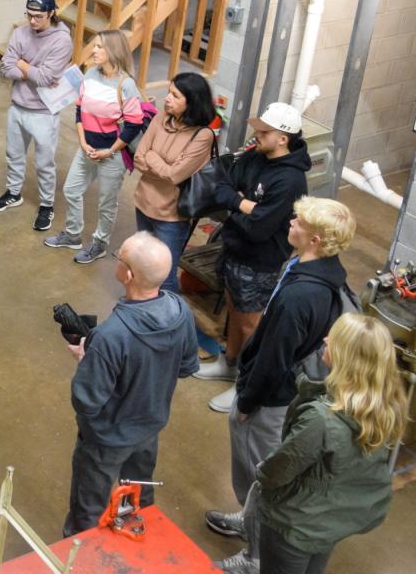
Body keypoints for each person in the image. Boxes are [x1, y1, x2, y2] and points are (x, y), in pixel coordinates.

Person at [203, 197, 355, 545]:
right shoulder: (324, 272)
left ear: (315, 239)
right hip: (286, 392)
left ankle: (256, 552)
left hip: (271, 399)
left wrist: (246, 404)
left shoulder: (300, 296)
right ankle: (251, 522)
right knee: (260, 469)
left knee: (260, 470)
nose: (290, 223)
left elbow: (275, 358)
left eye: (299, 221)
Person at [213, 314, 406, 574]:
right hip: (328, 521)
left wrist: (262, 475)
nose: (326, 339)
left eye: (333, 338)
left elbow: (279, 470)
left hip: (293, 525)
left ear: (346, 357)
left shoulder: (322, 418)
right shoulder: (383, 407)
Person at [62, 231, 197, 536]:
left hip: (106, 440)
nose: (116, 259)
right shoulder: (180, 311)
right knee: (138, 495)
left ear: (128, 274)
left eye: (118, 256)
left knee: (88, 509)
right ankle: (133, 542)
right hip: (149, 428)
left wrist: (87, 359)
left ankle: (82, 556)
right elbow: (187, 366)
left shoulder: (111, 335)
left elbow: (86, 399)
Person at [194, 102, 311, 413]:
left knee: (251, 325)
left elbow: (260, 229)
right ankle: (229, 363)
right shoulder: (254, 156)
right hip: (234, 249)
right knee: (234, 310)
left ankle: (244, 384)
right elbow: (221, 186)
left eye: (264, 131)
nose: (256, 135)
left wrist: (238, 206)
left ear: (283, 138)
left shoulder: (290, 181)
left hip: (259, 261)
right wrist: (243, 204)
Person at [45, 30, 143, 263]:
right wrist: (83, 142)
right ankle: (72, 235)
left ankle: (99, 244)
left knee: (106, 203)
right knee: (71, 190)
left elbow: (133, 125)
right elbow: (79, 111)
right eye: (94, 46)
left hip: (112, 154)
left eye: (100, 47)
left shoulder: (125, 85)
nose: (94, 50)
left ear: (114, 50)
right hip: (87, 148)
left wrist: (110, 151)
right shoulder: (89, 75)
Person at [0, 0, 73, 231]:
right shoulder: (20, 33)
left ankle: (47, 205)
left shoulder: (61, 40)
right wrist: (31, 71)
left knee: (44, 163)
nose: (33, 21)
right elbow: (6, 68)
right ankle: (13, 193)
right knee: (14, 155)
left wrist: (22, 64)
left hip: (44, 112)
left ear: (51, 13)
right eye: (29, 15)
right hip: (17, 106)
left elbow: (46, 78)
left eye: (38, 16)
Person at [132, 71, 215, 293]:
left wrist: (152, 157)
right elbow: (139, 157)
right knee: (141, 266)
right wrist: (157, 163)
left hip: (171, 216)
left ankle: (167, 324)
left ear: (192, 102)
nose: (167, 98)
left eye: (175, 96)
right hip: (143, 203)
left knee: (165, 278)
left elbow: (174, 175)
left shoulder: (202, 136)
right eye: (169, 93)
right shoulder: (161, 118)